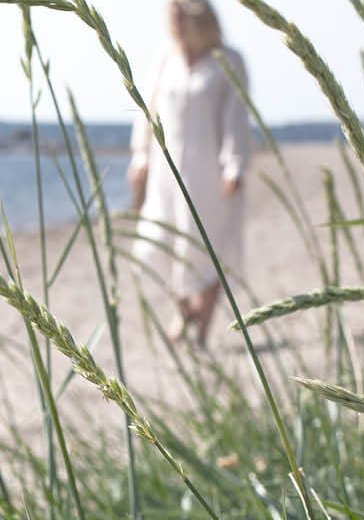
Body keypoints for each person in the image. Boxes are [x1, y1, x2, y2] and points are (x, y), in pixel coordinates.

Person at [128, 0, 254, 348]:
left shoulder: (228, 59)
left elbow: (237, 114)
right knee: (159, 242)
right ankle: (186, 310)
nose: (175, 24)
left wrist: (235, 164)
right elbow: (147, 108)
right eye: (172, 17)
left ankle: (201, 328)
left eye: (180, 16)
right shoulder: (165, 56)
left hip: (210, 173)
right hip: (166, 171)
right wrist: (140, 156)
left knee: (210, 246)